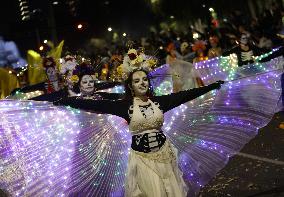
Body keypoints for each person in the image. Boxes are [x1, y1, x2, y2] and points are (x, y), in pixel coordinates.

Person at [55, 48, 224, 197]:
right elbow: (95, 104)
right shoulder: (125, 106)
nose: (141, 83)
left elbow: (184, 95)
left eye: (144, 80)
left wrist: (211, 87)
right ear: (131, 86)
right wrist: (66, 101)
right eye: (136, 81)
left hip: (166, 157)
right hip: (143, 160)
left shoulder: (159, 102)